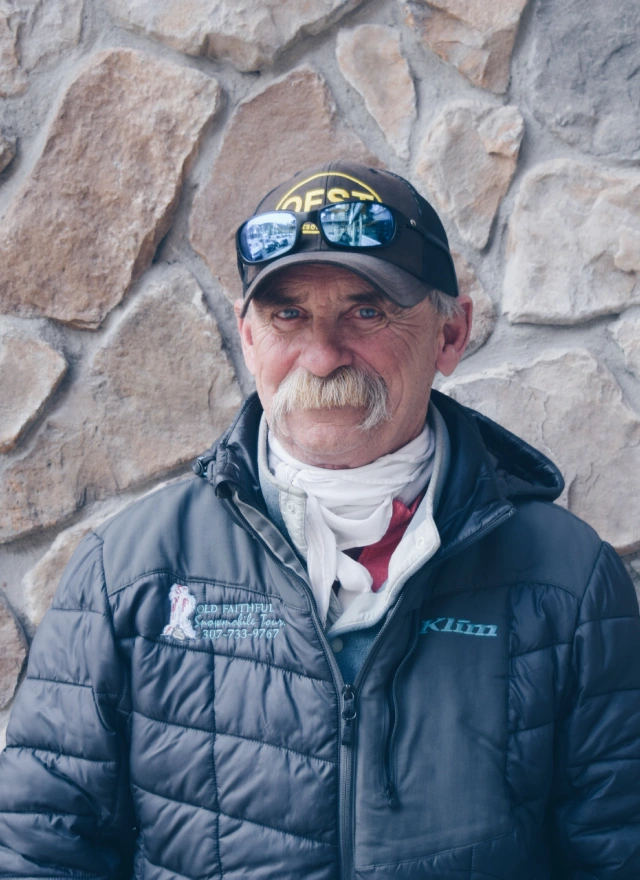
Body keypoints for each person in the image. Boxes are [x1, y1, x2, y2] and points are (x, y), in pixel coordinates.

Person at [1, 160, 639, 879]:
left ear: (450, 335)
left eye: (366, 312)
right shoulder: (130, 572)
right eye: (288, 314)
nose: (323, 353)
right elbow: (41, 853)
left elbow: (618, 851)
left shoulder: (569, 582)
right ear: (247, 340)